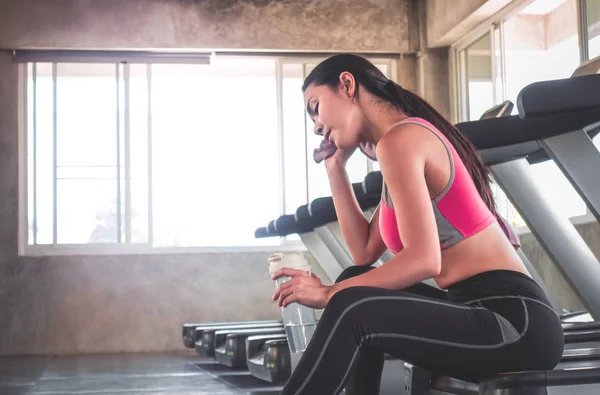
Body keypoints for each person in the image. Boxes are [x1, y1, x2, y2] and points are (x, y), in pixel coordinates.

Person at [271, 54, 564, 395]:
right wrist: (336, 168)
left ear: (347, 85)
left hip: (515, 322)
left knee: (351, 305)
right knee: (353, 283)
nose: (316, 126)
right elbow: (363, 252)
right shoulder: (395, 144)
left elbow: (425, 260)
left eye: (315, 107)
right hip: (476, 308)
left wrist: (328, 294)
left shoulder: (403, 139)